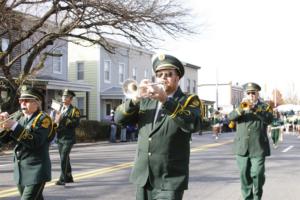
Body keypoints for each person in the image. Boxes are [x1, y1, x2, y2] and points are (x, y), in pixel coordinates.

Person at [115, 53, 202, 200]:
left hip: (169, 178)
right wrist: (135, 98)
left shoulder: (189, 100)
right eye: (159, 74)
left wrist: (165, 100)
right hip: (144, 176)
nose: (163, 78)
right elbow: (119, 119)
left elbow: (192, 124)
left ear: (178, 78)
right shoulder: (146, 100)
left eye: (168, 74)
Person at [0, 85, 52, 200]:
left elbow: (35, 142)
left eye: (27, 100)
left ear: (37, 103)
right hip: (21, 170)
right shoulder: (19, 117)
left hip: (36, 170)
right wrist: (3, 126)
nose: (22, 103)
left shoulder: (43, 119)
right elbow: (5, 140)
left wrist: (13, 126)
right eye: (21, 100)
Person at [228, 82, 273, 200]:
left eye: (253, 93)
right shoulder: (240, 105)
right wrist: (241, 109)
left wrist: (255, 109)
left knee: (258, 174)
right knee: (244, 175)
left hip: (258, 147)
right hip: (242, 147)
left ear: (258, 94)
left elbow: (269, 120)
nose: (251, 95)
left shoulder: (264, 107)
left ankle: (257, 197)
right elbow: (230, 117)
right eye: (248, 93)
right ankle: (247, 198)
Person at [54, 89, 80, 186]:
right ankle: (69, 176)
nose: (64, 98)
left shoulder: (74, 110)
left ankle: (62, 178)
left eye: (66, 97)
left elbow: (75, 123)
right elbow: (56, 122)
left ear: (70, 99)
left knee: (64, 157)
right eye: (63, 97)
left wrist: (63, 118)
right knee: (64, 158)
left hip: (68, 138)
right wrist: (56, 120)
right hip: (60, 137)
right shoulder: (59, 109)